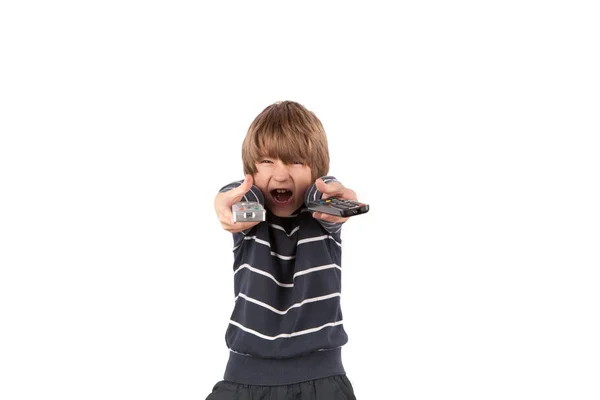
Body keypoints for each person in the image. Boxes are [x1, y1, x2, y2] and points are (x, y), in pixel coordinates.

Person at [207, 101, 360, 399]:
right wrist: (223, 201)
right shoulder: (249, 219)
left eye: (295, 162)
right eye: (266, 161)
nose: (280, 175)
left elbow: (325, 189)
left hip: (322, 380)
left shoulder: (321, 217)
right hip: (244, 379)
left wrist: (336, 198)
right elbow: (240, 196)